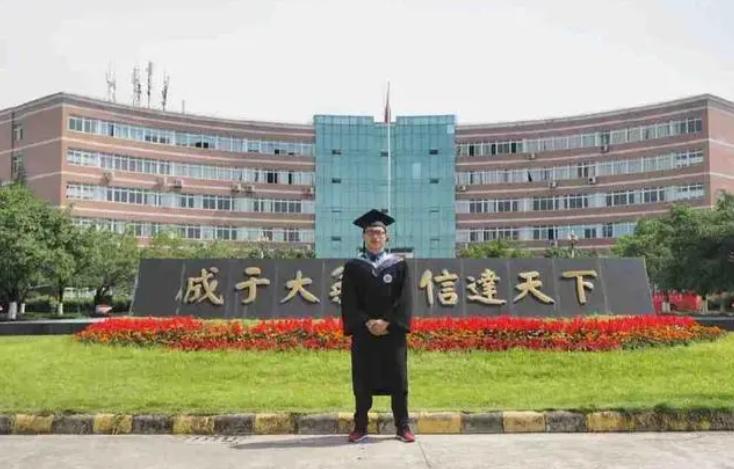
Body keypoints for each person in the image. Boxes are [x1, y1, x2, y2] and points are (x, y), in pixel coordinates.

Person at [340, 209, 414, 443]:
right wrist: (367, 322)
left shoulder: (398, 265)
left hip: (392, 333)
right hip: (364, 333)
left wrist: (387, 322)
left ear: (386, 237)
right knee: (362, 379)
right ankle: (360, 425)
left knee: (398, 379)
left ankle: (402, 426)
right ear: (363, 236)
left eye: (379, 232)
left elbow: (404, 299)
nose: (375, 236)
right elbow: (349, 300)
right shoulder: (353, 267)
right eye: (371, 232)